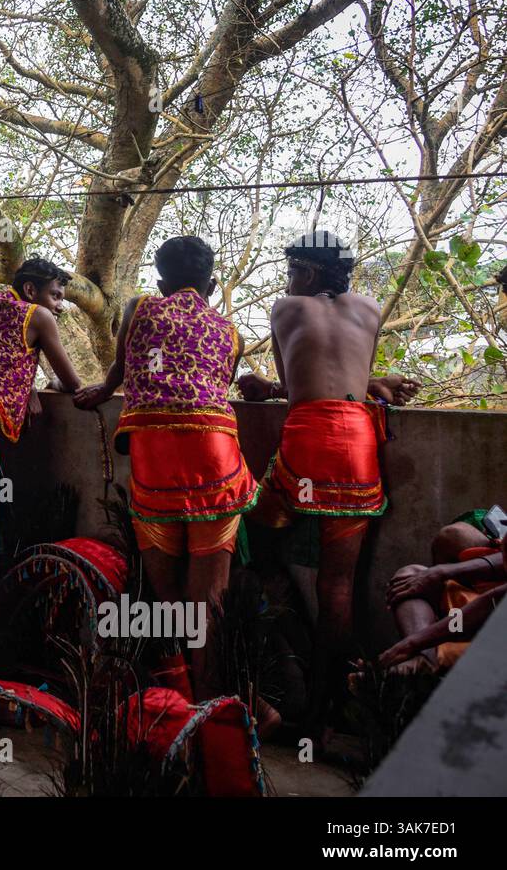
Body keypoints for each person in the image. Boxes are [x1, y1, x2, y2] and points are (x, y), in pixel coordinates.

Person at [237, 230, 418, 735]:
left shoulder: (286, 308)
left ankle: (283, 647)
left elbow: (297, 388)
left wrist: (265, 388)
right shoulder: (371, 308)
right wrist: (376, 384)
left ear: (309, 273)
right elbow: (349, 384)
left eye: (292, 270)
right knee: (339, 585)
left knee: (248, 534)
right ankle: (323, 712)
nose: (288, 280)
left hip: (308, 440)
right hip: (359, 445)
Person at [74, 236, 257, 700]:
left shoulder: (139, 307)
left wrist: (101, 389)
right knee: (209, 601)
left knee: (168, 598)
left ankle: (175, 698)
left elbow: (119, 370)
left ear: (161, 282)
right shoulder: (230, 331)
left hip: (155, 458)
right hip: (216, 456)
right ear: (212, 285)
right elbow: (215, 382)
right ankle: (212, 709)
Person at [0, 257, 83, 680]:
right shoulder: (37, 315)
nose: (59, 307)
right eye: (56, 296)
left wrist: (22, 383)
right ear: (31, 292)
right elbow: (73, 385)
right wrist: (34, 383)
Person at [381, 512, 504, 672]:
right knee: (410, 577)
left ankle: (427, 664)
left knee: (459, 622)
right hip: (476, 613)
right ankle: (425, 660)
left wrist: (412, 643)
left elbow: (488, 604)